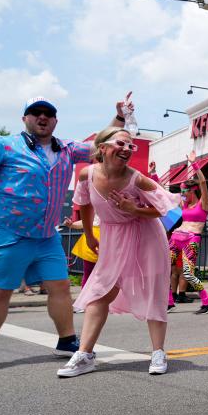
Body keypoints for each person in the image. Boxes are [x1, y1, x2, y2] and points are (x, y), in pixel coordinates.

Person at [0, 96, 126, 371]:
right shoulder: (5, 145)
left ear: (55, 121)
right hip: (7, 233)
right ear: (25, 118)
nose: (42, 117)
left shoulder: (65, 149)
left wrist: (120, 118)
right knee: (0, 291)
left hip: (45, 235)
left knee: (60, 287)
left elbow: (102, 143)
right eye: (35, 113)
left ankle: (66, 341)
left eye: (48, 114)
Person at [57, 128, 177, 377]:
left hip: (146, 237)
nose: (127, 149)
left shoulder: (138, 179)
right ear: (102, 148)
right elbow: (85, 204)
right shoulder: (86, 175)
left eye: (131, 146)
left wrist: (133, 208)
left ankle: (158, 352)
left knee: (153, 292)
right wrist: (89, 235)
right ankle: (85, 355)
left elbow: (162, 209)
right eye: (121, 143)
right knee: (99, 292)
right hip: (113, 237)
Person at [167, 153, 208, 314]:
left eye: (184, 191)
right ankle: (169, 301)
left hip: (191, 240)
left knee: (188, 274)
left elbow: (202, 182)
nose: (182, 194)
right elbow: (163, 194)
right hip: (176, 238)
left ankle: (207, 301)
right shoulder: (184, 205)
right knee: (163, 268)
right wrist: (153, 175)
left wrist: (194, 164)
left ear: (193, 190)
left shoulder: (203, 203)